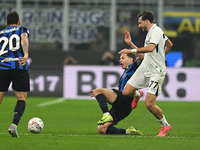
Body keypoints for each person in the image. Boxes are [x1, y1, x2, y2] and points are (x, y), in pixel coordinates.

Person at [118, 11, 173, 137]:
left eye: (140, 23)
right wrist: (161, 55)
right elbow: (170, 44)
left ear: (147, 21)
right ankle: (138, 94)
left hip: (155, 72)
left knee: (149, 104)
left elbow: (150, 48)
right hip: (145, 68)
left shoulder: (156, 31)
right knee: (126, 91)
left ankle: (165, 125)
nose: (139, 26)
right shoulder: (152, 32)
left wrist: (130, 50)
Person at [89, 51, 144, 135]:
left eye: (122, 58)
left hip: (125, 99)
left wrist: (131, 47)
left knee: (97, 90)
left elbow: (141, 57)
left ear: (130, 59)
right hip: (124, 108)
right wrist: (104, 94)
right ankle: (129, 132)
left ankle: (106, 115)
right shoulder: (124, 73)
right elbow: (118, 89)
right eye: (120, 59)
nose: (120, 60)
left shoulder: (133, 67)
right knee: (102, 129)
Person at [0, 12, 30, 137]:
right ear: (19, 22)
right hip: (18, 65)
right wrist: (26, 54)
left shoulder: (1, 33)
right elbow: (24, 39)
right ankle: (14, 125)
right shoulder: (22, 29)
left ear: (6, 23)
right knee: (21, 98)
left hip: (2, 67)